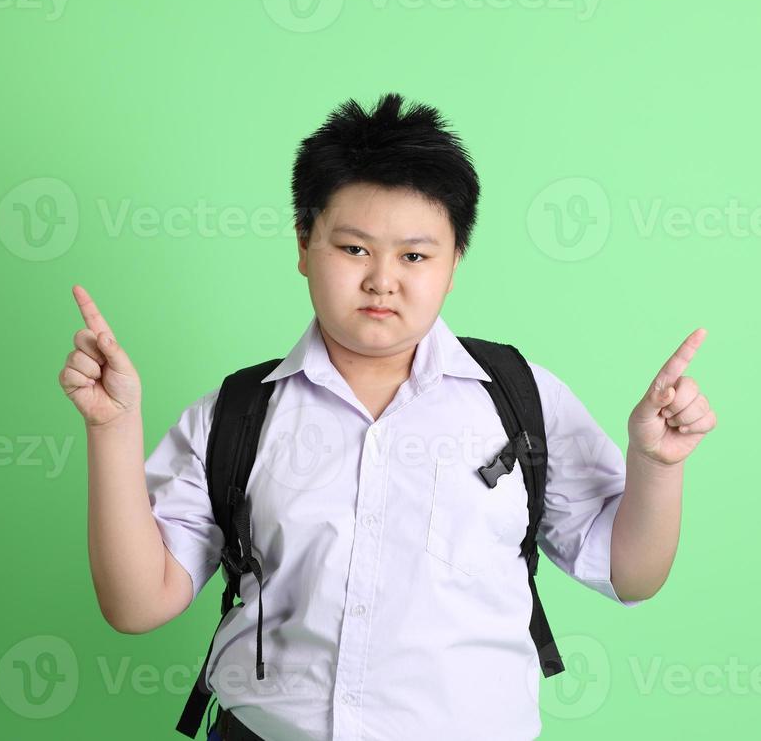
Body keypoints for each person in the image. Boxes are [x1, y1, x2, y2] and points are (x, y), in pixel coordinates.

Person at [59, 93, 718, 740]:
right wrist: (112, 429)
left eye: (414, 256)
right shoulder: (236, 415)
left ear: (455, 261)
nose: (382, 280)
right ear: (302, 246)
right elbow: (136, 605)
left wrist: (657, 466)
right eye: (352, 249)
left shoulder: (519, 398)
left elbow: (631, 572)